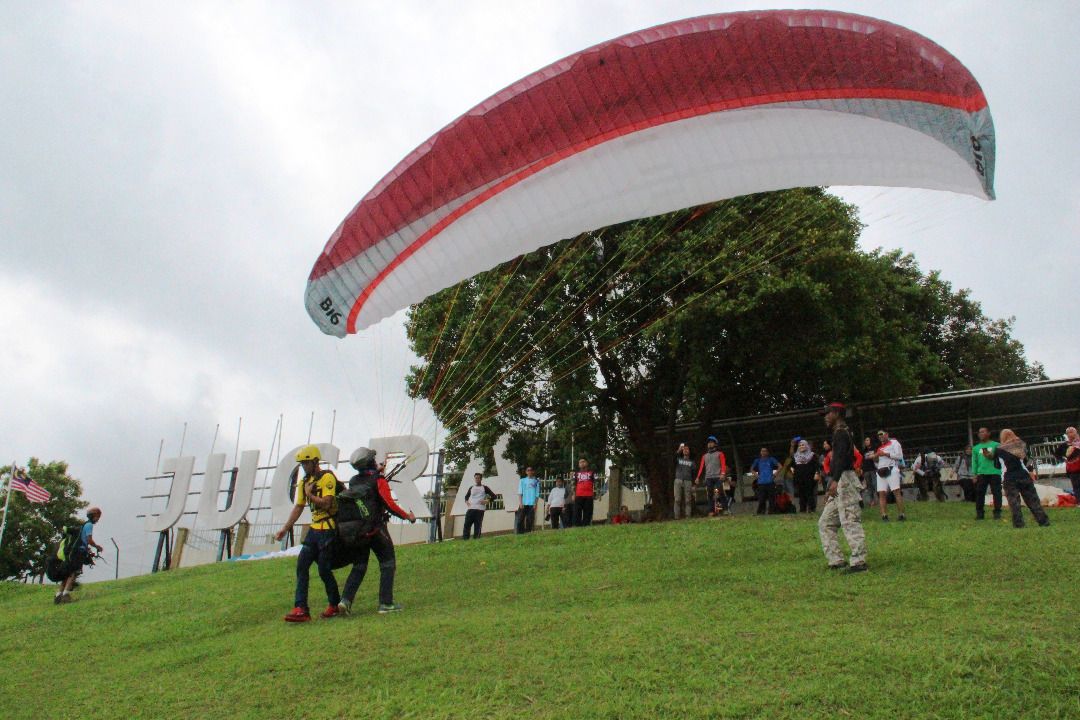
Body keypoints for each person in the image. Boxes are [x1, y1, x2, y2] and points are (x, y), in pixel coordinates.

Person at [338, 452, 417, 615]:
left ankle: (345, 601)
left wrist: (377, 472)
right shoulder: (379, 480)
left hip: (359, 530)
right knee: (388, 563)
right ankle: (385, 603)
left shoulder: (354, 481)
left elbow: (366, 485)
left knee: (359, 566)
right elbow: (389, 503)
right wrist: (407, 516)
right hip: (376, 529)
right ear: (370, 463)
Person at [276, 445, 343, 622]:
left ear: (315, 462)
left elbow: (327, 503)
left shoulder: (327, 477)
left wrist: (310, 495)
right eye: (302, 464)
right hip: (314, 530)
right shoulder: (304, 482)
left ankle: (334, 604)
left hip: (328, 529)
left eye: (306, 463)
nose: (304, 467)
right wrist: (285, 528)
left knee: (323, 569)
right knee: (302, 565)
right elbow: (298, 507)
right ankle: (301, 608)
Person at [817, 402, 867, 573]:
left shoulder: (841, 434)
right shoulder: (840, 433)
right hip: (838, 479)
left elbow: (840, 459)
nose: (825, 417)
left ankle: (859, 561)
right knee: (826, 522)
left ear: (837, 413)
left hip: (844, 479)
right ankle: (836, 559)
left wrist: (835, 480)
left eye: (827, 413)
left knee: (849, 520)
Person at [981, 430, 1050, 529]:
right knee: (1033, 500)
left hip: (1009, 478)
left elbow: (996, 465)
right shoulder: (1021, 445)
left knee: (1014, 503)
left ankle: (1019, 524)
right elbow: (1028, 460)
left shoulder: (999, 449)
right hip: (1024, 476)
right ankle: (1043, 522)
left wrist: (986, 452)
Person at [55, 507, 103, 605]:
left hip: (73, 552)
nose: (98, 519)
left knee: (67, 573)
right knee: (73, 573)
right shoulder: (89, 525)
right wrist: (97, 546)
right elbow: (89, 540)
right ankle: (65, 595)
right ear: (94, 516)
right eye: (97, 517)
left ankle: (58, 595)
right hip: (78, 552)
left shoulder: (84, 525)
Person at [873, 429, 906, 521]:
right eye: (879, 435)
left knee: (896, 492)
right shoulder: (880, 447)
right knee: (881, 493)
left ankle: (901, 514)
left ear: (887, 434)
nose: (880, 437)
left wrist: (886, 454)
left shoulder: (894, 443)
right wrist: (875, 457)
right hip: (880, 470)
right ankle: (884, 515)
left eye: (882, 434)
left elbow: (899, 456)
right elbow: (876, 461)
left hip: (891, 469)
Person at [971, 426, 1003, 520]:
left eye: (983, 432)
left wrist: (991, 456)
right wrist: (974, 474)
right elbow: (974, 462)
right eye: (979, 432)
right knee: (980, 494)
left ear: (989, 433)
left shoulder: (996, 445)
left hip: (995, 472)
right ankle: (980, 514)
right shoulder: (976, 448)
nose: (981, 434)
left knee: (997, 493)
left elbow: (1000, 458)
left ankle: (997, 513)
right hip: (982, 474)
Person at [695, 437, 729, 516]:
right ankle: (711, 511)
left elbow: (723, 464)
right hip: (708, 477)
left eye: (711, 442)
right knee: (709, 494)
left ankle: (725, 509)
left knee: (721, 492)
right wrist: (697, 477)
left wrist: (723, 473)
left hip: (718, 476)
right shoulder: (704, 456)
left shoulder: (720, 454)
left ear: (715, 444)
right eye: (708, 442)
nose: (709, 444)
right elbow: (701, 467)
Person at [462, 472, 496, 540]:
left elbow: (494, 496)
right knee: (467, 525)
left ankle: (476, 539)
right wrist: (466, 501)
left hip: (480, 510)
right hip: (471, 509)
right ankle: (465, 540)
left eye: (478, 478)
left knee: (477, 526)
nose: (477, 479)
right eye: (476, 478)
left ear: (481, 479)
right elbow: (466, 496)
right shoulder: (471, 487)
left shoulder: (484, 488)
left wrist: (487, 501)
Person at [750, 447, 780, 515]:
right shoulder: (757, 460)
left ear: (768, 452)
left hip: (770, 481)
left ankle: (771, 512)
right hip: (761, 483)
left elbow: (780, 466)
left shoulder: (771, 459)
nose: (763, 452)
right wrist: (757, 476)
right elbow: (751, 469)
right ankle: (761, 512)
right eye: (762, 451)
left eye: (765, 451)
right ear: (760, 452)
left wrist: (774, 475)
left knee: (771, 498)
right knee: (761, 499)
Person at [791, 439, 818, 513]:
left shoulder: (812, 455)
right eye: (799, 445)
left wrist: (816, 474)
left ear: (806, 446)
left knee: (809, 493)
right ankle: (802, 509)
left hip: (809, 477)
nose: (801, 446)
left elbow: (816, 466)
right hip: (799, 478)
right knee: (801, 494)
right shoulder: (796, 456)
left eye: (803, 445)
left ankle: (811, 509)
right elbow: (793, 466)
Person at [1054, 427, 1080, 500]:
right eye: (1068, 432)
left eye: (1071, 432)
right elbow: (1056, 454)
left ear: (1076, 432)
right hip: (1073, 469)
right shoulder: (1065, 445)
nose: (1070, 434)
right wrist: (1063, 459)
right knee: (1076, 486)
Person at [571, 458, 597, 527]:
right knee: (577, 513)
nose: (582, 463)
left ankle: (586, 526)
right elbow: (573, 484)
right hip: (578, 495)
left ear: (587, 463)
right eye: (580, 462)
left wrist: (597, 493)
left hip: (589, 496)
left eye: (583, 461)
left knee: (588, 513)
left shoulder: (592, 473)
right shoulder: (576, 474)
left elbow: (596, 483)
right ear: (579, 465)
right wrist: (573, 494)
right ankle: (577, 527)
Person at [673, 443, 695, 519]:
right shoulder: (678, 459)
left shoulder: (692, 462)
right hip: (678, 480)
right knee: (677, 499)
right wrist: (679, 449)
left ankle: (688, 516)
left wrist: (694, 484)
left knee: (688, 500)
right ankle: (676, 517)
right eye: (684, 449)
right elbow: (673, 458)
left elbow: (694, 473)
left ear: (689, 451)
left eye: (687, 449)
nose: (685, 450)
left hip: (688, 481)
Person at [516, 466, 541, 534]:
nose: (529, 471)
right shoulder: (522, 480)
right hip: (523, 503)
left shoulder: (536, 481)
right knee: (520, 519)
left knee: (530, 520)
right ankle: (519, 533)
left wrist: (535, 503)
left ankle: (528, 533)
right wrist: (520, 503)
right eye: (528, 470)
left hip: (532, 504)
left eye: (531, 470)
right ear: (526, 472)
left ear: (533, 471)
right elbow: (520, 492)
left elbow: (537, 494)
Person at [861, 436, 878, 505]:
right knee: (869, 486)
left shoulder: (874, 449)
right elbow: (862, 461)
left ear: (870, 441)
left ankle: (880, 499)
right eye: (865, 440)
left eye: (867, 440)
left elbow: (877, 459)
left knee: (875, 485)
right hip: (866, 470)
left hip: (873, 469)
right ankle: (872, 501)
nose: (866, 441)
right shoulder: (864, 450)